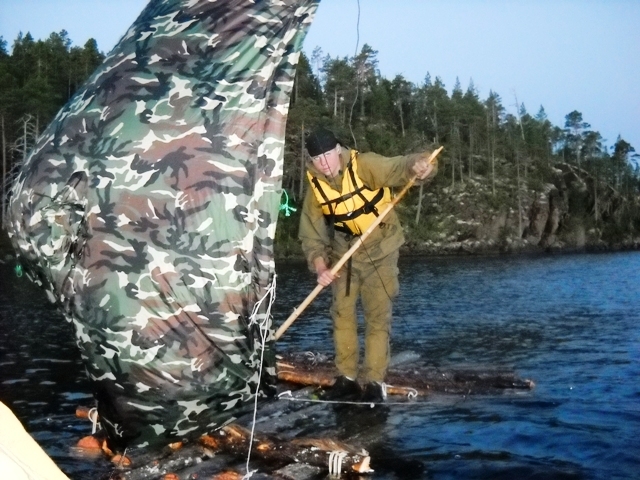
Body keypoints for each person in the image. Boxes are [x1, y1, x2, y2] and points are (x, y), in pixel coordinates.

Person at [298, 127, 437, 402]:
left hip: (381, 250)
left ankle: (374, 381)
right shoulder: (316, 186)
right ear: (311, 161)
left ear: (338, 150)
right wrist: (321, 267)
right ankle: (347, 377)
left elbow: (401, 167)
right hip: (343, 254)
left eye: (328, 155)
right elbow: (311, 234)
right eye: (318, 159)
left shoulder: (365, 165)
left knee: (377, 317)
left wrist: (420, 166)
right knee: (342, 314)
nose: (324, 163)